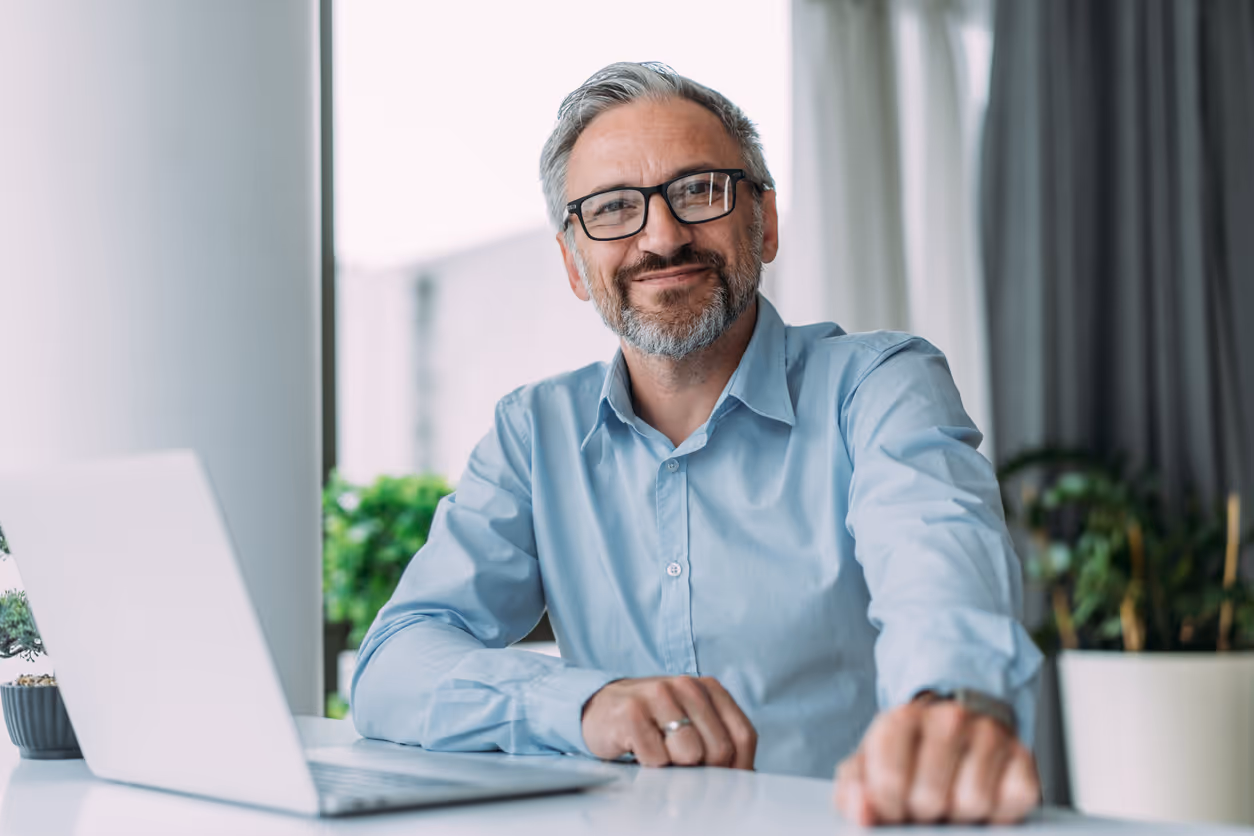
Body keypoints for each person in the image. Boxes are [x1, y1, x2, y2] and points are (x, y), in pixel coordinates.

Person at [351, 62, 1043, 826]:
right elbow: (394, 665)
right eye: (614, 208)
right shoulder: (532, 433)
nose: (662, 235)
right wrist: (587, 705)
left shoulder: (879, 387)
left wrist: (947, 703)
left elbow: (938, 574)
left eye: (700, 190)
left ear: (765, 222)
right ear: (575, 264)